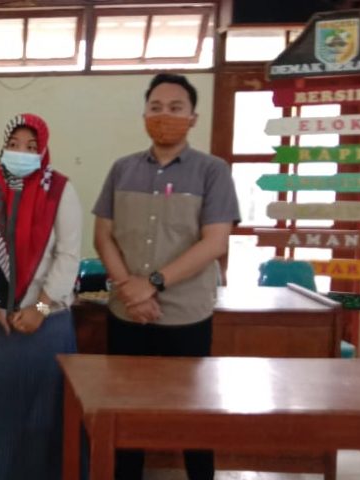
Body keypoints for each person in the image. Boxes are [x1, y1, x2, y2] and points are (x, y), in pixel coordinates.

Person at [92, 73, 240, 480]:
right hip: (126, 314)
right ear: (144, 115)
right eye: (155, 108)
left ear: (193, 118)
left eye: (176, 108)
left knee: (194, 415)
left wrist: (152, 284)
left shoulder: (213, 171)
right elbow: (103, 236)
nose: (164, 116)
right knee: (124, 412)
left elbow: (215, 242)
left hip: (186, 315)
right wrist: (132, 291)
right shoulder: (122, 169)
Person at [0, 113, 82, 479]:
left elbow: (68, 257)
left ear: (43, 150)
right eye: (14, 144)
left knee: (44, 421)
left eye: (30, 146)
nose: (21, 152)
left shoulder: (60, 191)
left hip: (46, 325)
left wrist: (39, 308)